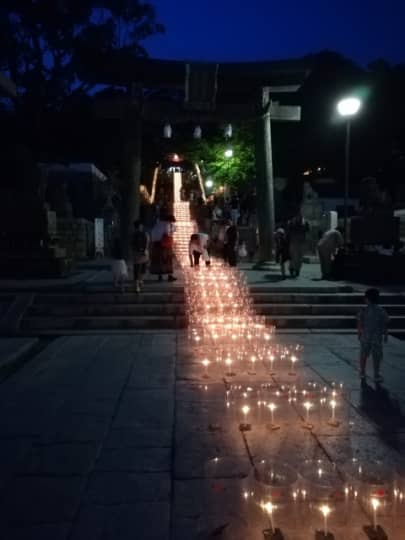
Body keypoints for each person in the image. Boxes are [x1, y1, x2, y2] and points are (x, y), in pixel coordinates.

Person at [357, 288, 389, 383]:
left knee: (363, 355)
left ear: (367, 299)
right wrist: (386, 334)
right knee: (377, 357)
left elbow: (359, 322)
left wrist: (359, 333)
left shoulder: (364, 310)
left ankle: (362, 372)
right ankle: (376, 374)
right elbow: (384, 323)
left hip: (366, 337)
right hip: (377, 338)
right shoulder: (381, 310)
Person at [150, 215, 177, 282]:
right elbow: (168, 233)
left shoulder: (158, 224)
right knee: (168, 260)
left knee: (159, 261)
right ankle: (169, 276)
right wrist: (172, 230)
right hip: (165, 245)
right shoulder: (167, 225)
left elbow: (153, 234)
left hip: (157, 245)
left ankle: (160, 276)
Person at [287, 213, 309, 277]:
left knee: (298, 257)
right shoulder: (292, 222)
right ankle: (293, 269)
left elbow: (307, 231)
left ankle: (296, 269)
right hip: (294, 242)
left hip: (299, 242)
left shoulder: (304, 222)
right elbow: (289, 231)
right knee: (294, 257)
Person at [132, 220, 149, 293]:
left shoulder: (135, 234)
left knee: (140, 269)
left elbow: (131, 244)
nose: (141, 227)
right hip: (139, 254)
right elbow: (147, 242)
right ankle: (137, 285)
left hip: (140, 253)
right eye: (140, 226)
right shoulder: (143, 234)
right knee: (138, 269)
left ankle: (139, 282)